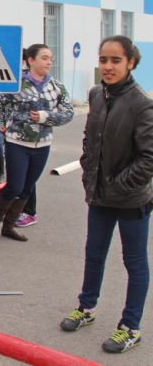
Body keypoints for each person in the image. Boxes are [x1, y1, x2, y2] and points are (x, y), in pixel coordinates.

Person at [60, 36, 152, 354]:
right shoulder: (97, 94)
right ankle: (86, 308)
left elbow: (149, 159)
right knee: (94, 254)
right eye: (103, 60)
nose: (108, 66)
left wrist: (118, 185)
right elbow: (90, 139)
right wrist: (89, 173)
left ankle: (130, 327)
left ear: (131, 62)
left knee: (135, 262)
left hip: (131, 199)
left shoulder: (142, 103)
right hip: (99, 194)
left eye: (115, 60)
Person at [0, 44, 73, 242]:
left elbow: (68, 113)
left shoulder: (56, 86)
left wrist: (46, 117)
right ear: (30, 60)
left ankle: (9, 226)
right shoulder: (15, 84)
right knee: (14, 186)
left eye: (50, 58)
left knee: (27, 186)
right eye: (44, 58)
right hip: (17, 142)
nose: (49, 61)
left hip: (43, 145)